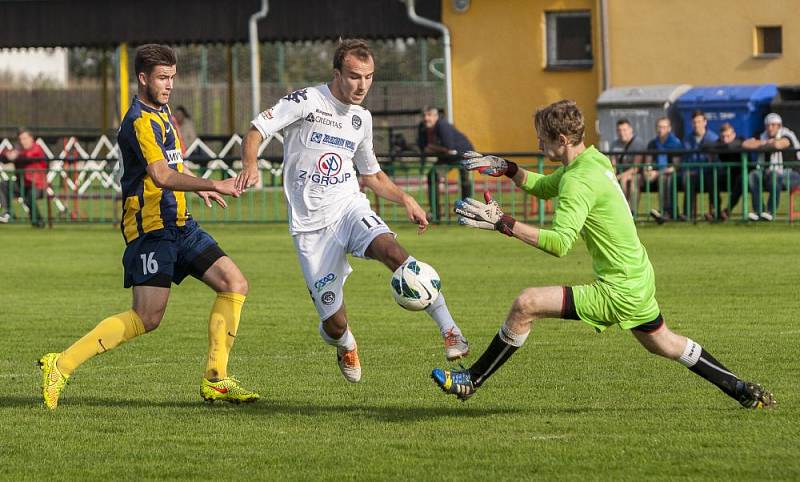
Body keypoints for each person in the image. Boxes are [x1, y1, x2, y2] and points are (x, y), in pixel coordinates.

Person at [430, 100, 775, 409]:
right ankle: (739, 388)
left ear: (561, 140)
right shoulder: (592, 160)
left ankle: (471, 379)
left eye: (542, 138)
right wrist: (508, 168)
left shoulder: (579, 181)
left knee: (526, 304)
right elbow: (546, 186)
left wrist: (504, 223)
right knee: (665, 343)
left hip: (619, 288)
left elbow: (560, 243)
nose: (538, 144)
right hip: (638, 275)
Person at [37, 44, 259, 409]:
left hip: (182, 224)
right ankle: (60, 364)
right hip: (151, 229)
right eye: (162, 78)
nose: (170, 85)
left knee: (234, 283)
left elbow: (173, 163)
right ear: (143, 78)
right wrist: (213, 184)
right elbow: (159, 174)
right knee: (147, 317)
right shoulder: (139, 120)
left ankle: (216, 379)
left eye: (172, 78)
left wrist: (198, 187)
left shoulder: (162, 112)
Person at [237, 39, 469, 384]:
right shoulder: (307, 101)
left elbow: (372, 175)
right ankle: (344, 343)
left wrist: (406, 199)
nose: (362, 85)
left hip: (349, 206)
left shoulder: (361, 119)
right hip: (310, 227)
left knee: (393, 251)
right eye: (355, 76)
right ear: (337, 73)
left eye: (369, 77)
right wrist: (251, 165)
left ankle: (450, 330)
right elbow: (257, 131)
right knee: (335, 322)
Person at [417, 106, 474, 219]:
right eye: (424, 115)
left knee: (465, 181)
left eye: (429, 115)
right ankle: (435, 213)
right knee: (432, 175)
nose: (426, 118)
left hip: (464, 154)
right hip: (446, 157)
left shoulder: (442, 125)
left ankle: (466, 213)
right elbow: (423, 147)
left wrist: (432, 147)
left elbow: (449, 147)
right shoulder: (422, 128)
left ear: (436, 116)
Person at [742, 113, 800, 221]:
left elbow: (778, 145)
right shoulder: (763, 135)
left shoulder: (788, 134)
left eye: (773, 125)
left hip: (793, 174)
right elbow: (746, 144)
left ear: (779, 126)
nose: (770, 128)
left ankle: (770, 212)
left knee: (774, 175)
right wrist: (767, 142)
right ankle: (759, 211)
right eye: (768, 125)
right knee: (753, 175)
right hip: (768, 174)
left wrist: (760, 144)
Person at [0, 128, 48, 227]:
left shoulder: (37, 148)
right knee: (4, 185)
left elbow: (29, 156)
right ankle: (8, 212)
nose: (23, 141)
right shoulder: (18, 150)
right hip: (22, 184)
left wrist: (15, 155)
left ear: (31, 138)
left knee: (30, 196)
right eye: (21, 139)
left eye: (25, 138)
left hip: (37, 184)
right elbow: (4, 157)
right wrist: (8, 155)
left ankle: (38, 220)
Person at [681, 110, 719, 221]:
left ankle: (714, 212)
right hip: (692, 174)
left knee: (712, 179)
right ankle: (688, 214)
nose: (697, 124)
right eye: (694, 122)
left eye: (699, 121)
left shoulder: (713, 139)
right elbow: (685, 159)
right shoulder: (687, 140)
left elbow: (714, 161)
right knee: (687, 178)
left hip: (708, 173)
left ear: (705, 122)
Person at [646, 117, 683, 224]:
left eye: (664, 127)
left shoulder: (675, 143)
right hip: (657, 173)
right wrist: (647, 171)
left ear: (669, 128)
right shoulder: (652, 144)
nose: (661, 129)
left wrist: (657, 173)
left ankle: (667, 211)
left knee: (665, 178)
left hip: (673, 174)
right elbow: (648, 162)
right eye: (659, 127)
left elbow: (675, 166)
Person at [608, 119, 647, 216]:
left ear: (631, 130)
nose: (622, 133)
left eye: (624, 130)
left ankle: (630, 212)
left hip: (636, 175)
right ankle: (619, 212)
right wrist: (613, 176)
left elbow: (636, 168)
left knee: (629, 181)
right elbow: (613, 165)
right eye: (619, 130)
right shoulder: (614, 145)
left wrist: (619, 176)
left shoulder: (638, 143)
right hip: (620, 175)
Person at [714, 123, 746, 221]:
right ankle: (715, 211)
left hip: (743, 175)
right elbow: (708, 146)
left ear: (734, 135)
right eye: (723, 136)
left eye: (728, 136)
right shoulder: (718, 144)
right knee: (712, 179)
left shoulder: (740, 141)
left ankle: (727, 211)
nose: (725, 139)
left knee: (741, 180)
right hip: (729, 175)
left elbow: (733, 145)